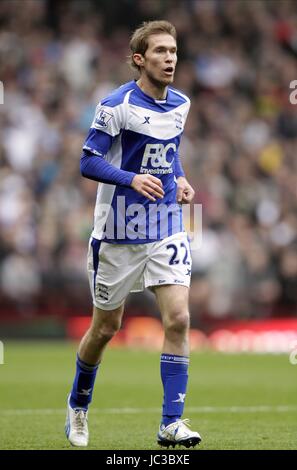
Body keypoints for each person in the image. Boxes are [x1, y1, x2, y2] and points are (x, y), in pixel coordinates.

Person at [65, 20, 201, 449]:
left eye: (174, 51)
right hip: (118, 230)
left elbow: (169, 156)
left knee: (178, 318)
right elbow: (88, 161)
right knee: (106, 327)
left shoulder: (181, 103)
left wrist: (179, 180)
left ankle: (171, 423)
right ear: (140, 59)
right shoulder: (115, 105)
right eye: (160, 51)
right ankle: (78, 406)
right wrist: (130, 179)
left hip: (165, 225)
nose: (170, 59)